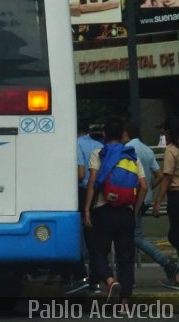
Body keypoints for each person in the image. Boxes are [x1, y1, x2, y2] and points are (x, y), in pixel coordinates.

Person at [85, 117, 148, 306]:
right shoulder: (131, 154)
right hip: (126, 212)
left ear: (104, 134)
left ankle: (110, 281)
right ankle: (125, 302)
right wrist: (134, 209)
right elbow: (143, 186)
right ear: (123, 135)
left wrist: (87, 209)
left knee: (96, 251)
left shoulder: (99, 153)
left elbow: (92, 183)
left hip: (103, 210)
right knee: (126, 257)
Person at [122, 121, 177, 280]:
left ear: (125, 133)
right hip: (146, 199)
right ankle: (128, 277)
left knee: (134, 237)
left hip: (133, 199)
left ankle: (166, 263)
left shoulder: (127, 149)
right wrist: (147, 190)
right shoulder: (147, 149)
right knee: (132, 237)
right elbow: (159, 176)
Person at [66, 118, 104, 294]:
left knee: (79, 234)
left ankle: (80, 275)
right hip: (100, 192)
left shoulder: (75, 144)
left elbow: (81, 174)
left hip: (82, 192)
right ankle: (96, 279)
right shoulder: (98, 144)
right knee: (96, 236)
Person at [153, 117, 179, 289]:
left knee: (175, 235)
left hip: (176, 195)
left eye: (164, 130)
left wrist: (158, 201)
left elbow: (167, 177)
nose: (162, 133)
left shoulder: (171, 151)